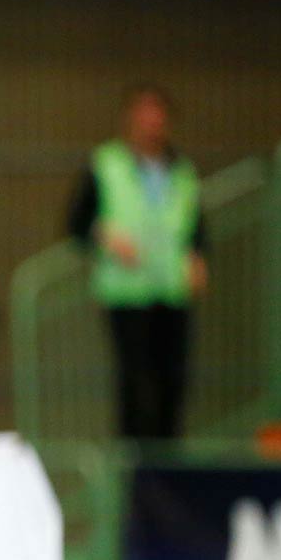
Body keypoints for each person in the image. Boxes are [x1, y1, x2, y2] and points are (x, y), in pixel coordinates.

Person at [66, 85, 208, 441]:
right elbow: (76, 222)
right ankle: (135, 471)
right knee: (135, 381)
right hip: (127, 292)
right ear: (130, 121)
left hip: (171, 290)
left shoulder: (182, 170)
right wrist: (106, 236)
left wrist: (198, 258)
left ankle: (169, 466)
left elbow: (196, 225)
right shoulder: (106, 164)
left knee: (173, 381)